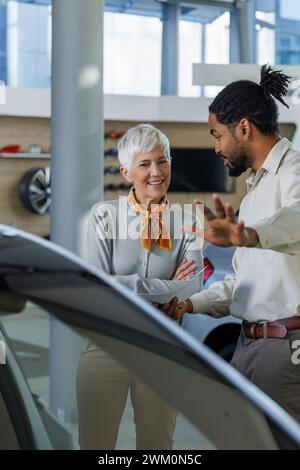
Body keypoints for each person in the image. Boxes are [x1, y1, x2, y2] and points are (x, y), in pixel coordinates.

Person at [160, 65, 300, 423]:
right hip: (248, 345)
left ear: (243, 127)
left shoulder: (294, 171)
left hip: (286, 349)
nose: (216, 147)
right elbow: (242, 283)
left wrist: (251, 235)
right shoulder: (255, 191)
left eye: (217, 135)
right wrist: (189, 303)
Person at [76, 123, 203, 449]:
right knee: (96, 445)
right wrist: (167, 287)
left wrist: (128, 287)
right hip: (106, 346)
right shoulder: (103, 215)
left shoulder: (190, 219)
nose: (156, 172)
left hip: (164, 348)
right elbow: (98, 286)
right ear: (126, 171)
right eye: (145, 164)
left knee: (157, 448)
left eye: (163, 161)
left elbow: (193, 285)